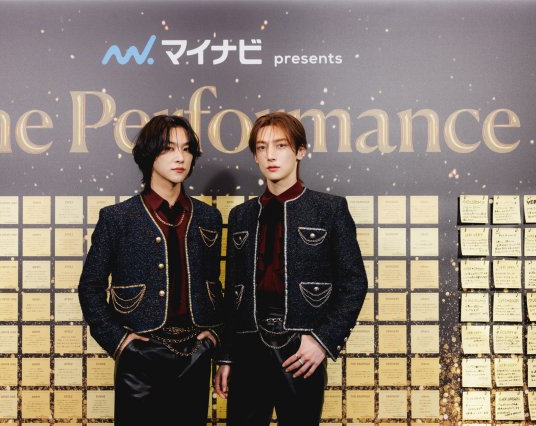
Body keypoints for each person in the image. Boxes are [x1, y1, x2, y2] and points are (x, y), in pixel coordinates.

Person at [214, 112, 367, 426]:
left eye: (281, 145)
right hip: (247, 346)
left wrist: (322, 341)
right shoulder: (242, 215)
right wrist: (226, 356)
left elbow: (354, 283)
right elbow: (233, 295)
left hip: (301, 347)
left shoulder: (330, 209)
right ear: (255, 155)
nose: (270, 155)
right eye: (262, 147)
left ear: (300, 151)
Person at [79, 115, 223, 426]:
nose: (180, 157)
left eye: (186, 149)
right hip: (140, 356)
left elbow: (215, 285)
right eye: (169, 148)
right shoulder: (118, 218)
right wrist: (121, 342)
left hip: (195, 354)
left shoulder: (208, 217)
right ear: (149, 154)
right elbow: (90, 287)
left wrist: (214, 337)